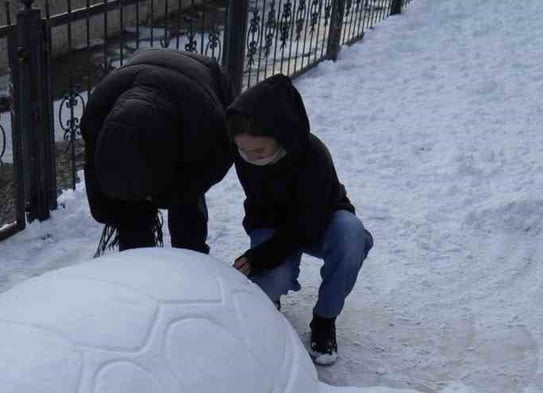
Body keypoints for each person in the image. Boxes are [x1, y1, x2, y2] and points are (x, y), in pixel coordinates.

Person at [227, 74, 373, 365]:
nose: (250, 157)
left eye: (259, 151)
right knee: (268, 282)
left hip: (322, 221)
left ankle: (324, 320)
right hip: (270, 222)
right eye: (243, 150)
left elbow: (309, 222)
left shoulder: (313, 155)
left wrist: (261, 256)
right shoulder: (244, 150)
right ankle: (269, 302)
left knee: (352, 237)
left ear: (282, 136)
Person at [80, 48, 235, 255]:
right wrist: (112, 210)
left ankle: (191, 255)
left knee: (186, 205)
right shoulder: (97, 115)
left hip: (202, 82)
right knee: (130, 199)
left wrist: (164, 198)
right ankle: (137, 257)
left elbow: (213, 167)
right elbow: (94, 173)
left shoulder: (207, 123)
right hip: (144, 72)